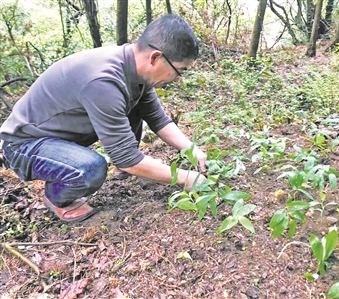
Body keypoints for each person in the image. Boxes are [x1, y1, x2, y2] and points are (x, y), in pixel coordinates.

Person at [0, 14, 207, 222]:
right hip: (23, 145)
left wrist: (191, 149)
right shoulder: (104, 81)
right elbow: (126, 159)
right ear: (155, 57)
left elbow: (158, 119)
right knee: (90, 169)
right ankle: (56, 198)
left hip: (56, 136)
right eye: (179, 71)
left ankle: (128, 168)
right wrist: (184, 178)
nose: (177, 79)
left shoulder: (134, 70)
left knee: (135, 109)